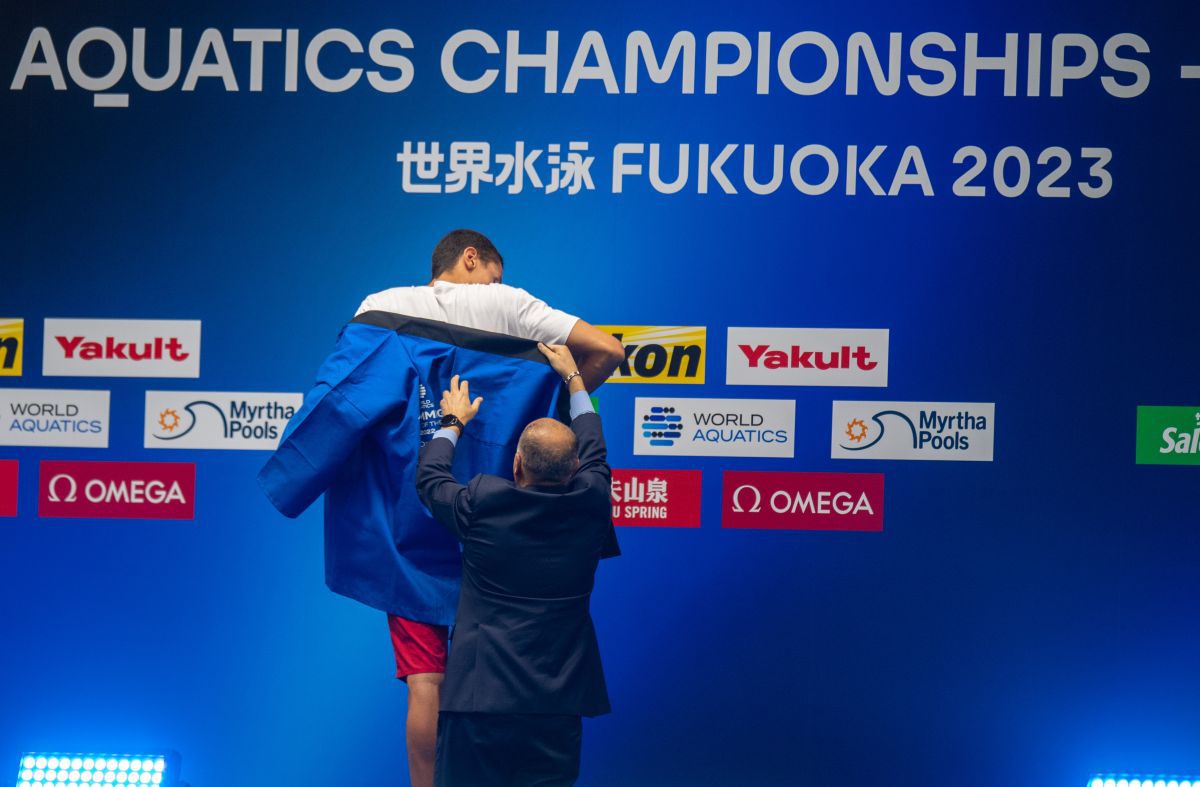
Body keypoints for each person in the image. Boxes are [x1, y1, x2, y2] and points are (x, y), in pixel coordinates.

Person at [357, 230, 623, 787]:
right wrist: (564, 390)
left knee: (425, 681)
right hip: (546, 683)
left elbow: (415, 464)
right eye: (495, 276)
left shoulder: (378, 306)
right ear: (471, 258)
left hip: (414, 531)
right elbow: (608, 353)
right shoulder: (510, 305)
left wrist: (452, 423)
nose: (496, 286)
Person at [416, 344, 614, 786]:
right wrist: (575, 380)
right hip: (557, 705)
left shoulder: (484, 501)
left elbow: (430, 480)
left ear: (517, 463)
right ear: (575, 468)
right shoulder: (593, 502)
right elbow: (594, 447)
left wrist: (452, 423)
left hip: (479, 703)